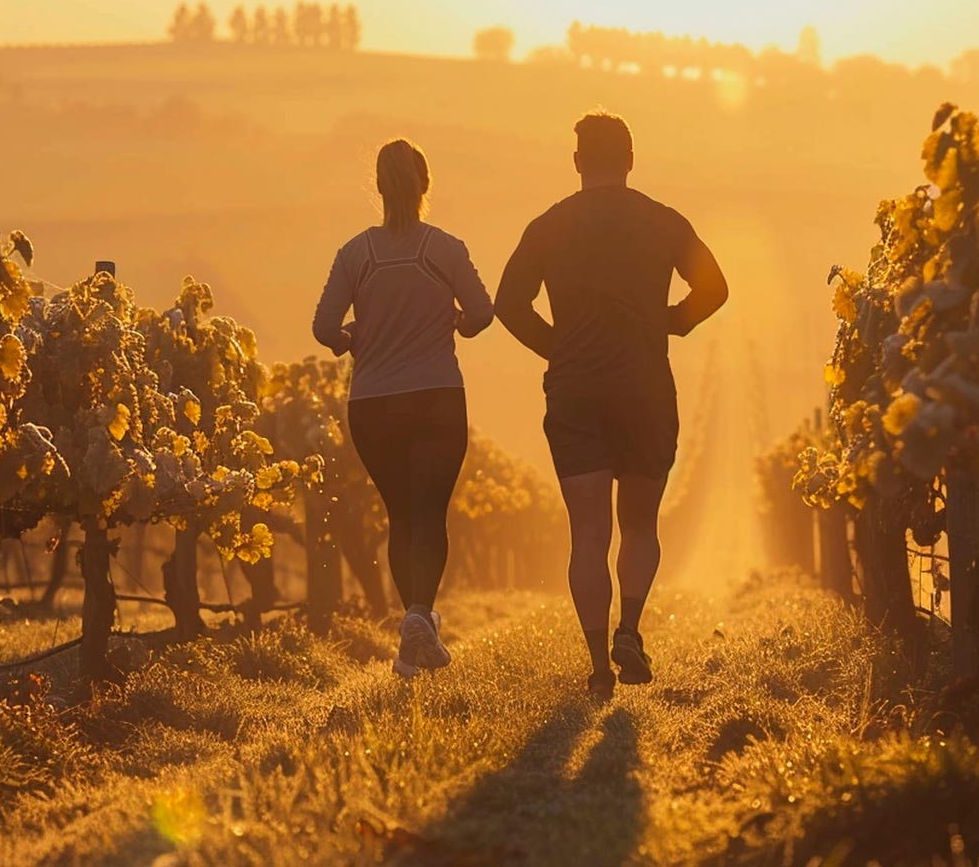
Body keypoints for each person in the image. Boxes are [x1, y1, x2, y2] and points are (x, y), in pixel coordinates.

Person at [495, 111, 728, 700]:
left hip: (574, 393)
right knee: (640, 523)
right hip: (646, 387)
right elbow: (716, 288)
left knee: (588, 533)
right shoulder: (663, 221)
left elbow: (508, 303)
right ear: (630, 159)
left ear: (577, 163)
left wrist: (559, 349)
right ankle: (631, 628)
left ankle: (599, 666)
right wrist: (671, 324)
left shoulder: (548, 226)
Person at [312, 138, 494, 677]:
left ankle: (416, 636)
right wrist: (456, 323)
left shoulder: (356, 254)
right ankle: (419, 618)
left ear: (379, 187)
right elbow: (483, 313)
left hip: (373, 405)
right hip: (436, 397)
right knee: (430, 515)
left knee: (400, 517)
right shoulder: (446, 249)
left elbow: (323, 327)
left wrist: (350, 340)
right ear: (425, 185)